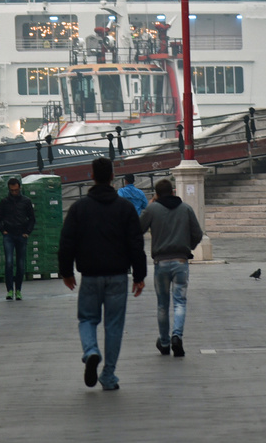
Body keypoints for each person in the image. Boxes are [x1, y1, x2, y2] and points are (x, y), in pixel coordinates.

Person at [58, 156, 146, 391]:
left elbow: (66, 242)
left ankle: (91, 351)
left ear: (92, 176)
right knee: (114, 326)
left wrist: (66, 272)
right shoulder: (125, 208)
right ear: (112, 177)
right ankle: (108, 375)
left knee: (87, 318)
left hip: (90, 276)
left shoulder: (79, 208)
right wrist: (139, 276)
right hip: (118, 275)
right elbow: (136, 244)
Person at [140, 178, 203, 357]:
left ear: (157, 194)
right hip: (181, 261)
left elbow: (138, 229)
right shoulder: (186, 208)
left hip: (161, 262)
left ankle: (165, 342)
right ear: (173, 192)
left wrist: (150, 206)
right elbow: (197, 233)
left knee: (162, 304)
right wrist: (187, 246)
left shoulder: (152, 209)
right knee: (180, 301)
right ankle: (177, 335)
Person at [0, 177, 36, 301]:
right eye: (12, 190)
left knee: (21, 264)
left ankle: (18, 290)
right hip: (9, 235)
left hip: (21, 235)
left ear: (20, 188)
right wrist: (3, 231)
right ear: (9, 189)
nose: (14, 192)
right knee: (8, 263)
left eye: (16, 190)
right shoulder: (4, 202)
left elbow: (32, 218)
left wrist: (27, 232)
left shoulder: (26, 201)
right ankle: (9, 290)